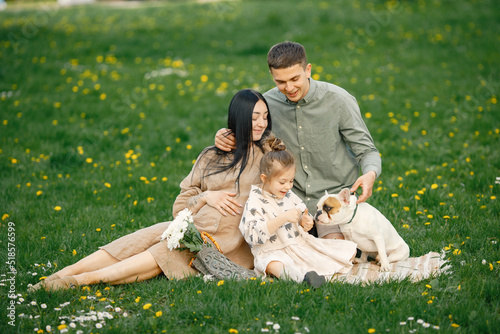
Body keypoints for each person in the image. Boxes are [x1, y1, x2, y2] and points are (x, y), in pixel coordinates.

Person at [29, 89, 272, 291]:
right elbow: (180, 206)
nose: (261, 123)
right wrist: (206, 196)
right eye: (254, 117)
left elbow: (282, 179)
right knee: (136, 240)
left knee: (162, 252)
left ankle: (79, 281)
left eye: (265, 117)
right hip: (189, 227)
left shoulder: (267, 159)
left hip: (222, 245)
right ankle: (61, 273)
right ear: (239, 118)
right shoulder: (211, 155)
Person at [216, 41, 382, 240]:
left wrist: (370, 173)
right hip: (287, 201)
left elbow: (366, 150)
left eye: (295, 78)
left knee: (336, 255)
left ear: (308, 70)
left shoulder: (339, 100)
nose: (289, 87)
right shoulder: (267, 104)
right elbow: (249, 130)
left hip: (332, 202)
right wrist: (226, 134)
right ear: (272, 77)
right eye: (281, 82)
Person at [239, 137, 357, 288]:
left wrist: (304, 221)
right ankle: (302, 279)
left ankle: (316, 270)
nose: (288, 186)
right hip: (272, 251)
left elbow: (302, 214)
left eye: (291, 181)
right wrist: (282, 218)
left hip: (298, 245)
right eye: (282, 182)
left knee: (345, 251)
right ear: (264, 178)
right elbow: (252, 235)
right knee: (273, 265)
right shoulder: (255, 201)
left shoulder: (288, 194)